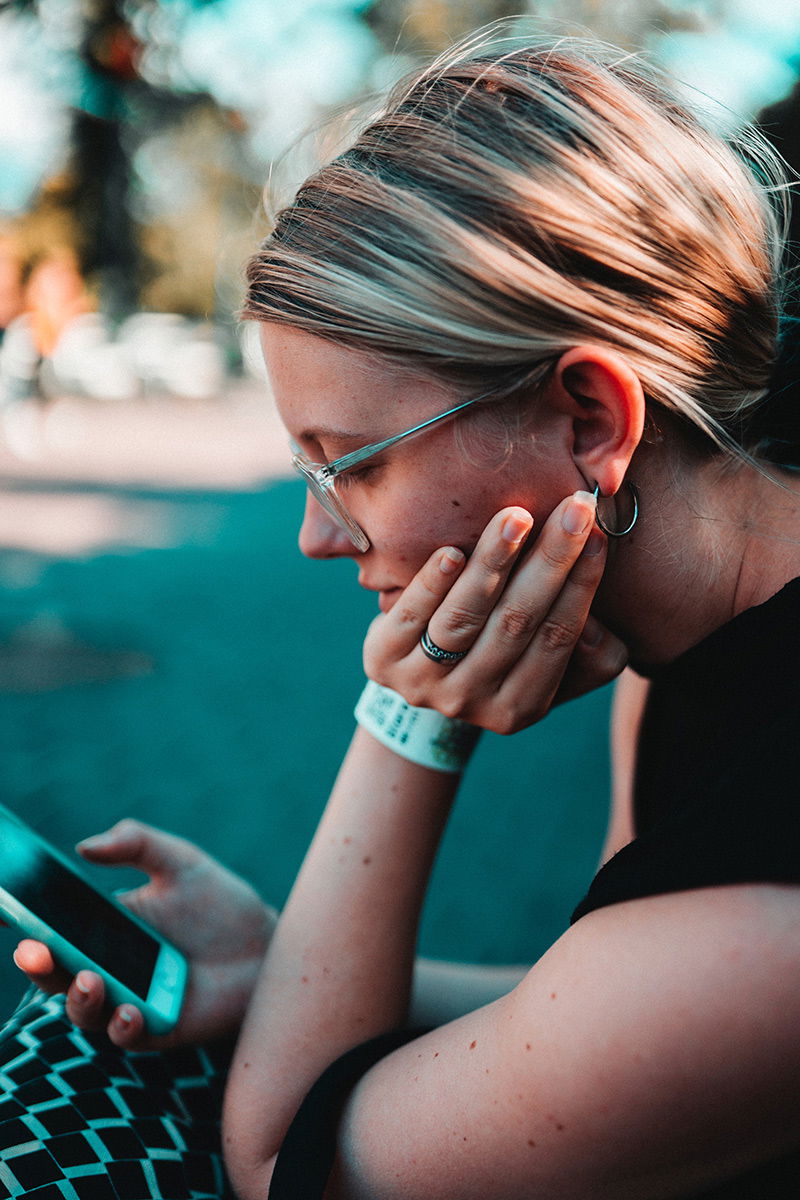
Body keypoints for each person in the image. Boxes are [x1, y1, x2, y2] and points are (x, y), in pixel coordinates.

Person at [5, 30, 800, 1200]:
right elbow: (595, 1004)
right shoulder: (692, 644)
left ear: (587, 420)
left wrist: (412, 718)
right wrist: (291, 961)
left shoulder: (771, 919)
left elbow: (286, 1160)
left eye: (350, 466)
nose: (318, 536)